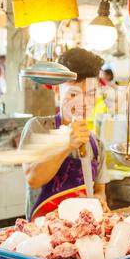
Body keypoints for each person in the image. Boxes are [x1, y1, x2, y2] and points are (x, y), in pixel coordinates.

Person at [19, 48, 110, 220]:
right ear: (56, 91)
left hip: (82, 237)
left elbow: (100, 191)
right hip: (43, 237)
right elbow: (33, 178)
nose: (83, 102)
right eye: (73, 93)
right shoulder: (38, 128)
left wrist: (99, 200)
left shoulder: (96, 144)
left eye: (90, 94)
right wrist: (65, 144)